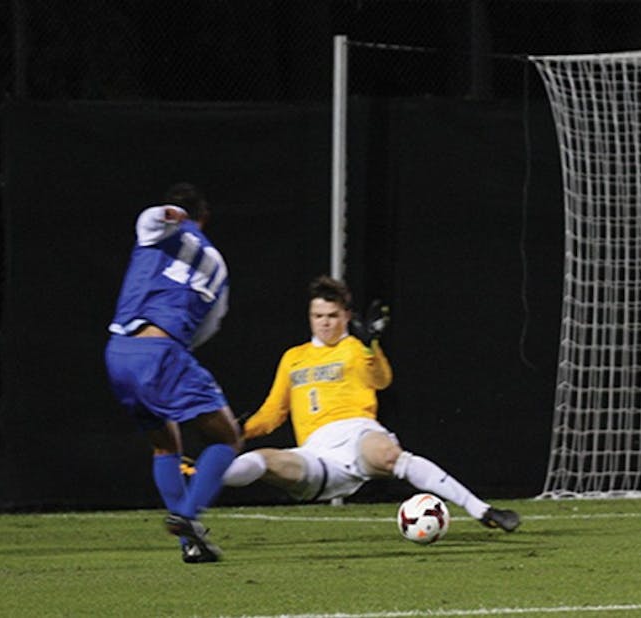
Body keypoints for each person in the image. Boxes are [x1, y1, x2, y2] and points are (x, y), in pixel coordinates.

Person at [222, 275, 520, 532]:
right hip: (316, 451)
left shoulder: (355, 348)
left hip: (359, 433)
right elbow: (273, 412)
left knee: (390, 455)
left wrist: (369, 347)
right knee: (262, 461)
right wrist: (239, 431)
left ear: (346, 316)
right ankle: (205, 476)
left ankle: (482, 510)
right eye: (318, 316)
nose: (325, 323)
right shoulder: (293, 357)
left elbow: (382, 380)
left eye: (332, 316)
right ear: (310, 317)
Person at [104, 182, 243, 564]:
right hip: (161, 352)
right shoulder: (215, 263)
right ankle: (187, 515)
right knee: (227, 437)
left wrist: (163, 214)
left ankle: (191, 544)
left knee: (165, 444)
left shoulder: (153, 233)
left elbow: (147, 218)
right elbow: (210, 325)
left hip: (117, 351)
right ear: (205, 217)